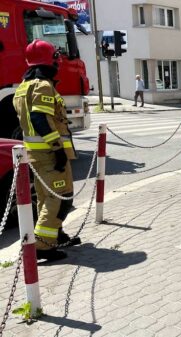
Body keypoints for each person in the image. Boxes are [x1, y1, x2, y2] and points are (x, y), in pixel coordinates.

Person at [13, 40, 81, 261]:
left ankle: (56, 235)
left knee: (46, 198)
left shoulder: (22, 87)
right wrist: (57, 149)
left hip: (35, 154)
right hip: (49, 154)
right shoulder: (42, 86)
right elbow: (39, 119)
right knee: (61, 198)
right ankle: (42, 245)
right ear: (51, 61)